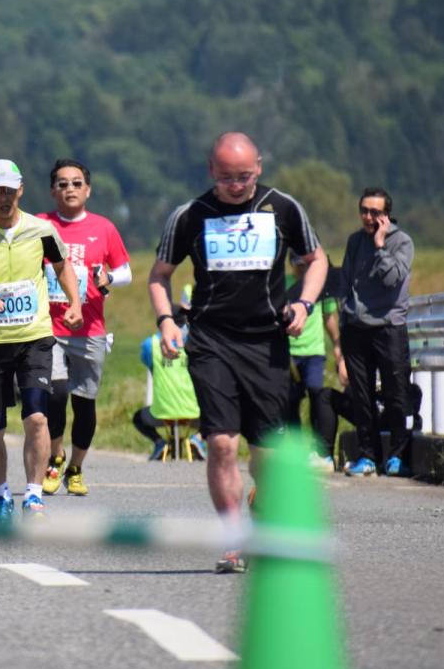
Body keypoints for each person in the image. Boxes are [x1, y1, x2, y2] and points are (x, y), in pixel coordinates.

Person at [148, 132, 326, 573]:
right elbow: (159, 275)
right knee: (222, 444)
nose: (236, 185)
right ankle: (232, 539)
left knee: (264, 453)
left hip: (266, 342)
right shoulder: (190, 215)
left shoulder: (283, 208)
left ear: (259, 167)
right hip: (211, 341)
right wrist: (168, 320)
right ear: (212, 171)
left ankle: (259, 507)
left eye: (244, 176)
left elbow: (317, 260)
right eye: (227, 177)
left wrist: (303, 303)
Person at [0, 159, 83, 521]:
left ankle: (34, 495)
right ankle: (1, 494)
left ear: (21, 190)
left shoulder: (41, 231)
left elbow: (61, 266)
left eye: (9, 190)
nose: (3, 198)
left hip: (34, 336)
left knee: (37, 417)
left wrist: (74, 301)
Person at [37, 158, 132, 496]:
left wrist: (109, 278)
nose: (70, 189)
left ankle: (76, 467)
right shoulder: (39, 225)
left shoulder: (103, 228)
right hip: (49, 328)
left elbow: (126, 272)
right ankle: (55, 458)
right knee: (57, 393)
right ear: (52, 191)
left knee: (84, 403)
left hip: (90, 328)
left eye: (76, 183)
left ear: (88, 190)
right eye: (62, 184)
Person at [339, 187, 415, 477]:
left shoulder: (402, 241)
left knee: (396, 392)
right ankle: (368, 455)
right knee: (362, 395)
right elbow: (346, 280)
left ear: (386, 215)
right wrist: (344, 317)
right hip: (356, 327)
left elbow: (393, 278)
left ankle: (397, 456)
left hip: (388, 327)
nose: (369, 217)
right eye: (365, 211)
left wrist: (381, 245)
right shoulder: (355, 241)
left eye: (376, 212)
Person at [286, 251, 346, 470]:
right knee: (291, 401)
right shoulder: (285, 284)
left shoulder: (319, 284)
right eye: (298, 265)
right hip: (289, 352)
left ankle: (317, 447)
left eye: (304, 265)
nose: (301, 270)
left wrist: (338, 344)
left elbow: (329, 317)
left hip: (313, 351)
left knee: (316, 394)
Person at [133, 311, 206, 461]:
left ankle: (160, 442)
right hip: (194, 411)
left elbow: (148, 363)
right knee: (217, 417)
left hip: (161, 411)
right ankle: (197, 438)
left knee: (137, 418)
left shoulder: (151, 343)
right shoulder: (197, 343)